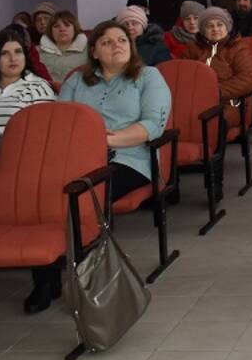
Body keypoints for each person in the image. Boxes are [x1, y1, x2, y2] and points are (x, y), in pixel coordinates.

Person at [55, 20, 171, 313]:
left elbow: (152, 125)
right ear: (94, 52)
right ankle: (51, 268)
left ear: (131, 46)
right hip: (78, 158)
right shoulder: (76, 81)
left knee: (86, 193)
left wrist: (107, 141)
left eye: (122, 40)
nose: (116, 46)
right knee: (50, 191)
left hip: (129, 158)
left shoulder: (148, 76)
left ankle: (91, 271)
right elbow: (61, 122)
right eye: (106, 42)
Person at [180, 7, 252, 140]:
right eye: (209, 26)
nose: (215, 29)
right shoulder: (191, 49)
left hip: (230, 103)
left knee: (216, 119)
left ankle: (215, 153)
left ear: (227, 27)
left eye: (220, 24)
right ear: (202, 29)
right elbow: (183, 78)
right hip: (196, 101)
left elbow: (247, 79)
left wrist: (215, 92)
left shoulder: (237, 48)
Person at [0, 29, 56, 136]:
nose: (13, 58)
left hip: (18, 145)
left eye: (18, 52)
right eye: (4, 53)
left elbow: (40, 131)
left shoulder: (40, 88)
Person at [38, 10, 88, 84]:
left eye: (67, 25)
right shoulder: (37, 52)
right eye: (56, 26)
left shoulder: (90, 50)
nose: (62, 29)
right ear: (50, 31)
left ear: (75, 28)